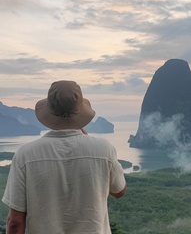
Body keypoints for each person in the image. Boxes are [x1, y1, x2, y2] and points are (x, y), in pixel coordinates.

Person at [2, 80, 126, 234]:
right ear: (80, 111)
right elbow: (119, 191)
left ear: (49, 111)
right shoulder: (104, 150)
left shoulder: (25, 155)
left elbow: (14, 222)